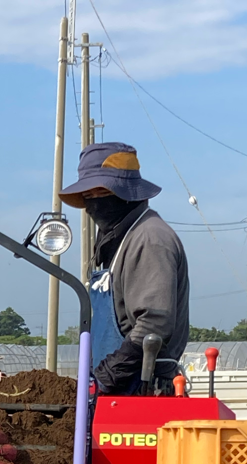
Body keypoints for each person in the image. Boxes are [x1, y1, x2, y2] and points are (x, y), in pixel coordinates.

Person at [60, 142, 189, 395]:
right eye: (89, 196)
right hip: (118, 390)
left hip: (142, 388)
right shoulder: (118, 240)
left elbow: (154, 323)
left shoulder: (149, 238)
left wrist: (111, 373)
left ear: (127, 194)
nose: (94, 204)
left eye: (103, 193)